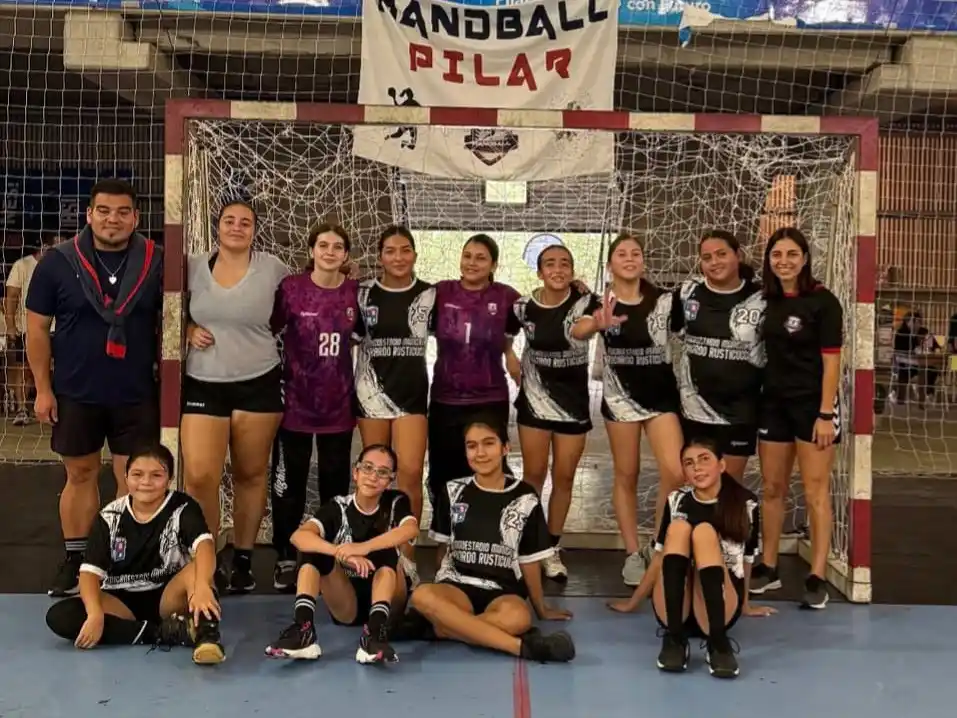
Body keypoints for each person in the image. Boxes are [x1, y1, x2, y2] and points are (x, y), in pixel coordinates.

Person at [26, 179, 164, 598]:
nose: (112, 219)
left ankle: (121, 559)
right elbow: (36, 329)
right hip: (76, 391)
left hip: (136, 393)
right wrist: (43, 389)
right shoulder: (57, 263)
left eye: (123, 212)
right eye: (103, 210)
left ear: (136, 217)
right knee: (80, 474)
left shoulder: (157, 261)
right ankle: (76, 560)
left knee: (133, 479)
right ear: (89, 214)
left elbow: (176, 317)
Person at [182, 200, 289, 594]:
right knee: (199, 477)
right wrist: (188, 328)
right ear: (218, 226)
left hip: (258, 381)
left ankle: (243, 559)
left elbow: (302, 300)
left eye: (246, 222)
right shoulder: (192, 266)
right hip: (203, 381)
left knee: (250, 473)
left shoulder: (273, 268)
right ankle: (205, 560)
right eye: (230, 220)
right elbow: (172, 309)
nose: (237, 227)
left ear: (254, 230)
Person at [408, 419, 576, 663]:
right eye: (472, 446)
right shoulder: (453, 490)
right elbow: (443, 550)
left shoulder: (525, 496)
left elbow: (529, 560)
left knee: (519, 618)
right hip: (457, 585)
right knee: (422, 595)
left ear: (505, 448)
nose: (480, 453)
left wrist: (540, 608)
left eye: (489, 444)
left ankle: (441, 629)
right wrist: (440, 595)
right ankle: (520, 647)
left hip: (503, 591)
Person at [608, 438, 774, 679]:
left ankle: (718, 644)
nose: (697, 467)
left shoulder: (746, 503)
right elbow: (658, 559)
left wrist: (745, 605)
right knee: (679, 529)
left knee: (704, 532)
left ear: (721, 465)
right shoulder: (676, 500)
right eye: (689, 463)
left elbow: (746, 562)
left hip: (718, 609)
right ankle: (675, 640)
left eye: (704, 459)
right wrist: (632, 603)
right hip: (676, 610)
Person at [44, 444, 225, 665]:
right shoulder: (109, 516)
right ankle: (163, 632)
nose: (146, 482)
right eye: (137, 474)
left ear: (169, 479)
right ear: (126, 478)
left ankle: (207, 638)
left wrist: (203, 585)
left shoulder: (183, 507)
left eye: (156, 475)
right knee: (61, 616)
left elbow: (205, 545)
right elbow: (89, 574)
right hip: (121, 600)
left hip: (167, 597)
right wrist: (95, 614)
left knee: (200, 572)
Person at [572, 232, 684, 586]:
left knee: (675, 472)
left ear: (643, 262)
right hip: (619, 399)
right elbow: (577, 330)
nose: (630, 258)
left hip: (661, 398)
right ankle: (633, 553)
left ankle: (658, 544)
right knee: (627, 473)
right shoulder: (599, 301)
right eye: (622, 253)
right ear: (610, 265)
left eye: (636, 253)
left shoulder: (665, 301)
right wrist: (597, 323)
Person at [750, 227, 843, 609]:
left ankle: (817, 575)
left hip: (813, 408)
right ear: (769, 260)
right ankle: (768, 566)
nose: (784, 261)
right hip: (774, 404)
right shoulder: (765, 300)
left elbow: (832, 363)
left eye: (791, 254)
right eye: (777, 255)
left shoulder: (824, 303)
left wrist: (825, 414)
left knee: (815, 490)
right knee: (772, 487)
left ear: (804, 259)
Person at [270, 223, 362, 592]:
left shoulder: (355, 292)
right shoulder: (291, 289)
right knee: (288, 484)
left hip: (338, 406)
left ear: (346, 255)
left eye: (337, 246)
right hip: (294, 404)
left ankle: (328, 556)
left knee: (334, 485)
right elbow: (269, 330)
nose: (329, 252)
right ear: (312, 251)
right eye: (323, 245)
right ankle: (285, 554)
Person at [265, 444, 418, 664]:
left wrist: (363, 548)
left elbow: (410, 529)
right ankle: (303, 630)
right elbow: (299, 537)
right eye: (368, 468)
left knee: (385, 549)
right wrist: (341, 553)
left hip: (390, 599)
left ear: (390, 480)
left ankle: (374, 633)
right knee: (313, 549)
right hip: (347, 603)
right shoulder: (338, 506)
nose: (373, 476)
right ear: (356, 472)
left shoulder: (396, 501)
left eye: (382, 472)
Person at [512, 244, 597, 581]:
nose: (557, 269)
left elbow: (589, 325)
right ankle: (528, 544)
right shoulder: (523, 306)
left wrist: (594, 321)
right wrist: (509, 357)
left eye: (564, 264)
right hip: (534, 401)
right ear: (539, 272)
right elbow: (503, 335)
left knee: (563, 477)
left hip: (572, 405)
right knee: (533, 475)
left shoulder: (586, 302)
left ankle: (551, 548)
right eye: (550, 264)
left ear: (572, 271)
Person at [355, 226, 435, 584]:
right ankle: (370, 549)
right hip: (370, 394)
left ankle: (407, 555)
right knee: (374, 477)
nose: (398, 257)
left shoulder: (430, 295)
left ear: (415, 254)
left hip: (411, 397)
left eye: (405, 250)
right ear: (380, 256)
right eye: (390, 251)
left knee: (410, 474)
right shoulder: (362, 294)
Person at [427, 235, 522, 524]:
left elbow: (546, 309)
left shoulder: (507, 297)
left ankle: (488, 532)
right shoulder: (440, 293)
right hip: (446, 398)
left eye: (481, 258)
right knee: (443, 472)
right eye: (467, 256)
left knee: (487, 468)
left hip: (489, 398)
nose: (472, 262)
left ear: (494, 264)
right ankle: (445, 534)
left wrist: (577, 288)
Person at [672, 230, 765, 480]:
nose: (714, 262)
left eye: (721, 254)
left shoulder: (760, 298)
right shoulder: (687, 292)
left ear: (738, 255)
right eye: (707, 257)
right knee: (696, 486)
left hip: (739, 413)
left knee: (729, 488)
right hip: (694, 410)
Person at [4, 231, 60, 426]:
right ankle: (22, 409)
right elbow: (11, 297)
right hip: (28, 327)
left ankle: (58, 410)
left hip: (59, 328)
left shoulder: (63, 265)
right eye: (57, 244)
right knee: (25, 369)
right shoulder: (22, 265)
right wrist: (11, 326)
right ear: (45, 246)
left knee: (60, 369)